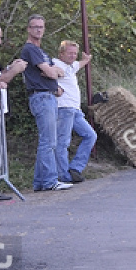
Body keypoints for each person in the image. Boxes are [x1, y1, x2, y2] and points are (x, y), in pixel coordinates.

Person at [18, 15, 73, 192]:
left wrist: (53, 73)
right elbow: (51, 72)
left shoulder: (41, 51)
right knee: (48, 141)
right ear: (28, 29)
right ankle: (50, 180)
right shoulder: (30, 49)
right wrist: (52, 72)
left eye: (41, 27)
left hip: (48, 95)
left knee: (48, 140)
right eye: (35, 27)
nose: (38, 30)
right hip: (41, 97)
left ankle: (40, 182)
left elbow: (57, 72)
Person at [51, 40, 96, 184]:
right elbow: (60, 72)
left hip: (74, 109)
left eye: (74, 54)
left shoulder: (70, 66)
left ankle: (75, 168)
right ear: (61, 53)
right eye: (69, 53)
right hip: (64, 107)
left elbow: (77, 65)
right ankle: (64, 175)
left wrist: (85, 60)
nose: (72, 56)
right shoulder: (56, 64)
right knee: (63, 142)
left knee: (90, 135)